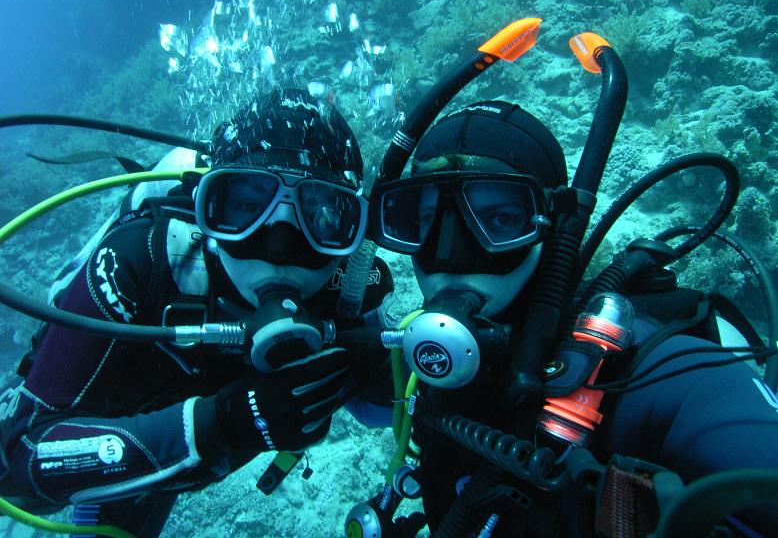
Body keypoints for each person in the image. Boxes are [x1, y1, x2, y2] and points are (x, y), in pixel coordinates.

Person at [369, 100, 778, 536]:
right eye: (426, 219)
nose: (450, 253)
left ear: (554, 228)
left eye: (502, 219)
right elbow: (359, 393)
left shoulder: (651, 373)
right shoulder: (414, 362)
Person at [0, 88, 394, 536]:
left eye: (320, 214)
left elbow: (383, 409)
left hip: (172, 460)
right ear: (207, 207)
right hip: (117, 421)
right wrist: (224, 423)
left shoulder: (350, 285)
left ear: (352, 228)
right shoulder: (141, 260)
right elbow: (23, 455)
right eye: (247, 207)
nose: (279, 246)